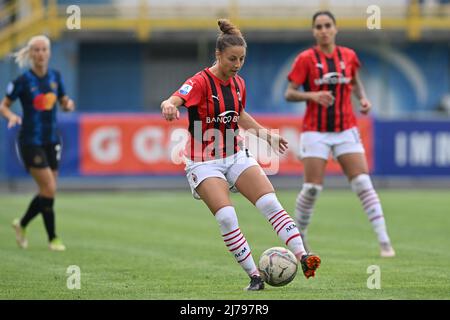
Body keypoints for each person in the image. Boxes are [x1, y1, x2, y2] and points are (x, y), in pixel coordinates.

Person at [160, 19, 321, 291]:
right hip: (204, 162)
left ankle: (303, 257)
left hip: (236, 155)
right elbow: (175, 98)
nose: (237, 64)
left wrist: (266, 135)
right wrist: (168, 105)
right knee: (226, 217)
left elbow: (240, 113)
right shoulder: (199, 82)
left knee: (270, 203)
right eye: (232, 59)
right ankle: (255, 276)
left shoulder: (239, 84)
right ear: (218, 55)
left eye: (242, 59)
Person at [285, 11, 395, 258]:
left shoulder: (348, 56)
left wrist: (363, 99)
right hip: (316, 131)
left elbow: (354, 82)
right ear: (314, 32)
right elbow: (289, 93)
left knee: (362, 182)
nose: (323, 30)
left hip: (346, 128)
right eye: (318, 27)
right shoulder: (305, 59)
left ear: (335, 29)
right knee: (312, 188)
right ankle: (300, 238)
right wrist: (312, 95)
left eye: (327, 25)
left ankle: (384, 241)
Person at [0, 35, 75, 251]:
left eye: (44, 49)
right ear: (31, 53)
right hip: (30, 140)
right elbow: (3, 106)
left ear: (49, 53)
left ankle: (21, 224)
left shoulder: (55, 77)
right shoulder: (22, 81)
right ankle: (53, 238)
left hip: (51, 139)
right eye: (36, 50)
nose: (40, 53)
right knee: (49, 187)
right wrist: (11, 116)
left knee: (48, 191)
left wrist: (68, 104)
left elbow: (64, 101)